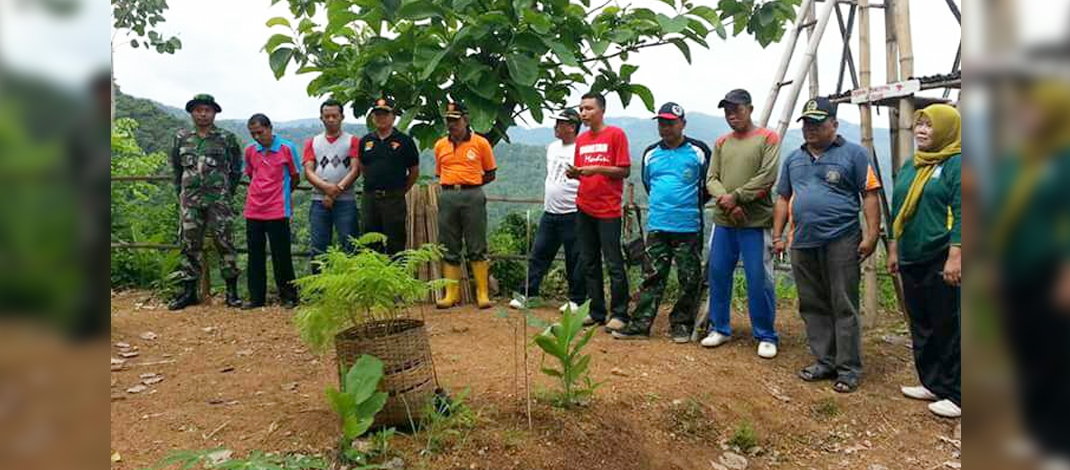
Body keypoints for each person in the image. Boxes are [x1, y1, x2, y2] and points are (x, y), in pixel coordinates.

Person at [772, 97, 881, 393]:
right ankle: (825, 360)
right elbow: (783, 198)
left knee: (843, 302)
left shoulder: (855, 154)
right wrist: (778, 235)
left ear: (834, 124)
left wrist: (871, 235)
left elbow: (870, 194)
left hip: (842, 239)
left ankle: (848, 369)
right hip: (802, 242)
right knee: (813, 303)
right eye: (806, 123)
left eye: (817, 123)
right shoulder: (794, 159)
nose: (810, 129)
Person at [990, 81, 1070, 458]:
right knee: (1026, 351)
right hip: (1015, 270)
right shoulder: (1019, 160)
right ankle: (1037, 430)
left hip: (1050, 272)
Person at [886, 104, 961, 418]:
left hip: (940, 255)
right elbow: (897, 206)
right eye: (919, 125)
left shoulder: (958, 163)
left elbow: (964, 210)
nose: (921, 131)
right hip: (910, 255)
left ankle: (958, 394)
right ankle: (932, 383)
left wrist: (956, 255)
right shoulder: (913, 164)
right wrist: (893, 249)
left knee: (950, 325)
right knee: (921, 323)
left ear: (945, 129)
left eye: (929, 126)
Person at [612, 102, 709, 342]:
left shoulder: (698, 151)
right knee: (652, 276)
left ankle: (681, 324)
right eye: (661, 123)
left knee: (689, 277)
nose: (665, 127)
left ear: (682, 124)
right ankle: (640, 324)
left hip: (688, 225)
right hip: (657, 224)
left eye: (670, 123)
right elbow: (648, 183)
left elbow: (707, 185)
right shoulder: (650, 153)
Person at [701, 89, 782, 359]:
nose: (731, 115)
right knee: (719, 273)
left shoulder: (768, 138)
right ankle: (720, 327)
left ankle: (765, 333)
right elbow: (711, 178)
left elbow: (767, 176)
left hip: (755, 221)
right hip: (724, 221)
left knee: (758, 277)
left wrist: (735, 198)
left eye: (737, 109)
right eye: (727, 111)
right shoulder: (722, 142)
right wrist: (728, 202)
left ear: (749, 108)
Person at [168, 94, 244, 310]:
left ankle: (232, 293)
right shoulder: (181, 137)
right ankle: (189, 292)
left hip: (218, 200)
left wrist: (227, 191)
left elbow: (236, 168)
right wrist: (180, 192)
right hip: (189, 201)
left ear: (214, 113)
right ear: (192, 112)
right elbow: (176, 168)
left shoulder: (226, 138)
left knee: (225, 242)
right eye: (198, 109)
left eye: (207, 110)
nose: (203, 113)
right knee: (189, 245)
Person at [508, 108, 587, 312]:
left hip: (573, 211)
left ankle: (576, 300)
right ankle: (528, 294)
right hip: (550, 211)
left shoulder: (582, 149)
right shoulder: (551, 147)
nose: (556, 127)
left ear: (571, 126)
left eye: (560, 123)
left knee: (574, 258)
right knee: (539, 253)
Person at [567, 91, 632, 332]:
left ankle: (620, 313)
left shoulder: (616, 134)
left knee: (614, 262)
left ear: (601, 110)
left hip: (608, 209)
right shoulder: (581, 140)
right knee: (589, 261)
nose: (583, 113)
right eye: (581, 108)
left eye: (588, 108)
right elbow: (581, 170)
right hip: (584, 206)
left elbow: (623, 170)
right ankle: (596, 311)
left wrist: (596, 168)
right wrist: (575, 173)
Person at [433, 102, 498, 309]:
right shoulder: (440, 145)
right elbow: (439, 173)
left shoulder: (481, 143)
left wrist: (473, 184)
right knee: (448, 244)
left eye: (455, 120)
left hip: (473, 195)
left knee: (476, 244)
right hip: (448, 195)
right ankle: (451, 294)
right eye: (448, 120)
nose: (451, 124)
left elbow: (491, 172)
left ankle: (482, 293)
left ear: (466, 120)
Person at [242, 114, 301, 309]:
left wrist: (282, 193)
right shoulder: (250, 151)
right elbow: (251, 174)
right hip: (254, 209)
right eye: (253, 134)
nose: (257, 137)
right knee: (255, 254)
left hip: (277, 209)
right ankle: (256, 298)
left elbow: (295, 176)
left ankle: (289, 296)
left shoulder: (286, 148)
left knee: (281, 254)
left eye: (260, 132)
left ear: (270, 128)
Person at [358, 97, 420, 254]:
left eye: (385, 114)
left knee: (395, 242)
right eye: (377, 114)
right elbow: (362, 166)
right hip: (370, 198)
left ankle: (396, 276)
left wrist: (400, 191)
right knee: (370, 242)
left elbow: (413, 171)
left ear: (393, 117)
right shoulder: (365, 141)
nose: (381, 118)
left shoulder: (405, 141)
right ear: (372, 118)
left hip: (393, 199)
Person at [303, 99, 360, 270]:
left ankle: (352, 288)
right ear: (321, 118)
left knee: (350, 245)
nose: (331, 119)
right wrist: (327, 188)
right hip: (318, 200)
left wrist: (335, 191)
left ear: (342, 117)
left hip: (346, 200)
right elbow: (308, 171)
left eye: (334, 115)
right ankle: (319, 291)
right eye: (326, 116)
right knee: (318, 247)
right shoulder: (312, 142)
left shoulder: (353, 141)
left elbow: (355, 169)